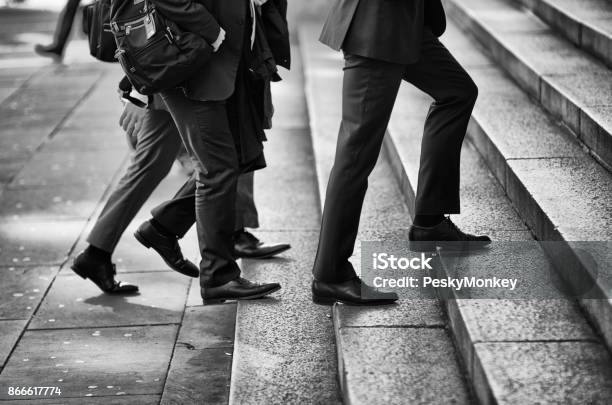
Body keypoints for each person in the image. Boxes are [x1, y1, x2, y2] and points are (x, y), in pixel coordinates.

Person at [311, 0, 491, 306]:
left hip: (404, 24)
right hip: (375, 28)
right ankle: (331, 275)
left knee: (457, 92)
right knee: (356, 154)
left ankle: (430, 221)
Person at [71, 90, 291, 294]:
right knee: (227, 153)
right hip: (178, 77)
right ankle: (189, 231)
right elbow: (140, 46)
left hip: (174, 77)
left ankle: (97, 253)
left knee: (156, 162)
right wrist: (136, 92)